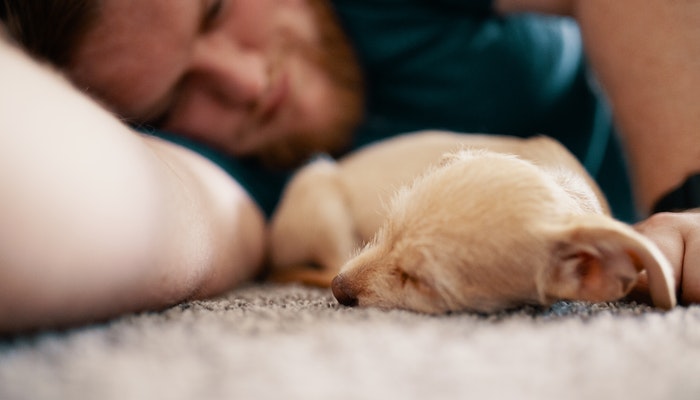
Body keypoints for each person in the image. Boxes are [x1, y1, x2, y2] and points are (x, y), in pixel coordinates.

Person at [0, 0, 698, 332]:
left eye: (215, 11)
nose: (247, 84)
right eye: (174, 96)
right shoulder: (243, 178)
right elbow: (119, 196)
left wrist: (689, 203)